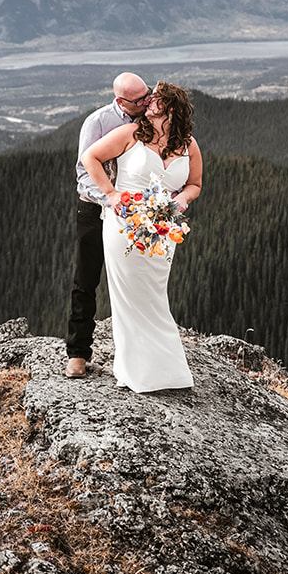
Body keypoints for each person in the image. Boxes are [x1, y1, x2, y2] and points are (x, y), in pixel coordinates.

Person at [80, 81, 203, 393]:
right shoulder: (131, 134)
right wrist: (110, 194)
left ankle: (168, 371)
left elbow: (195, 184)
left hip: (162, 231)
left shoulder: (188, 143)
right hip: (123, 226)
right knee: (129, 298)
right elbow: (90, 158)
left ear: (171, 108)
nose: (149, 102)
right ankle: (134, 372)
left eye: (156, 99)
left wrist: (183, 199)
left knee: (154, 296)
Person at [67, 72, 152, 378]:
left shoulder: (150, 116)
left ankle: (137, 354)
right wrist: (110, 198)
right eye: (139, 99)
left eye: (148, 94)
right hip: (95, 209)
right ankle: (77, 353)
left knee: (135, 280)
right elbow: (83, 172)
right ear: (120, 101)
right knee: (86, 279)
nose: (147, 101)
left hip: (134, 213)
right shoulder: (98, 122)